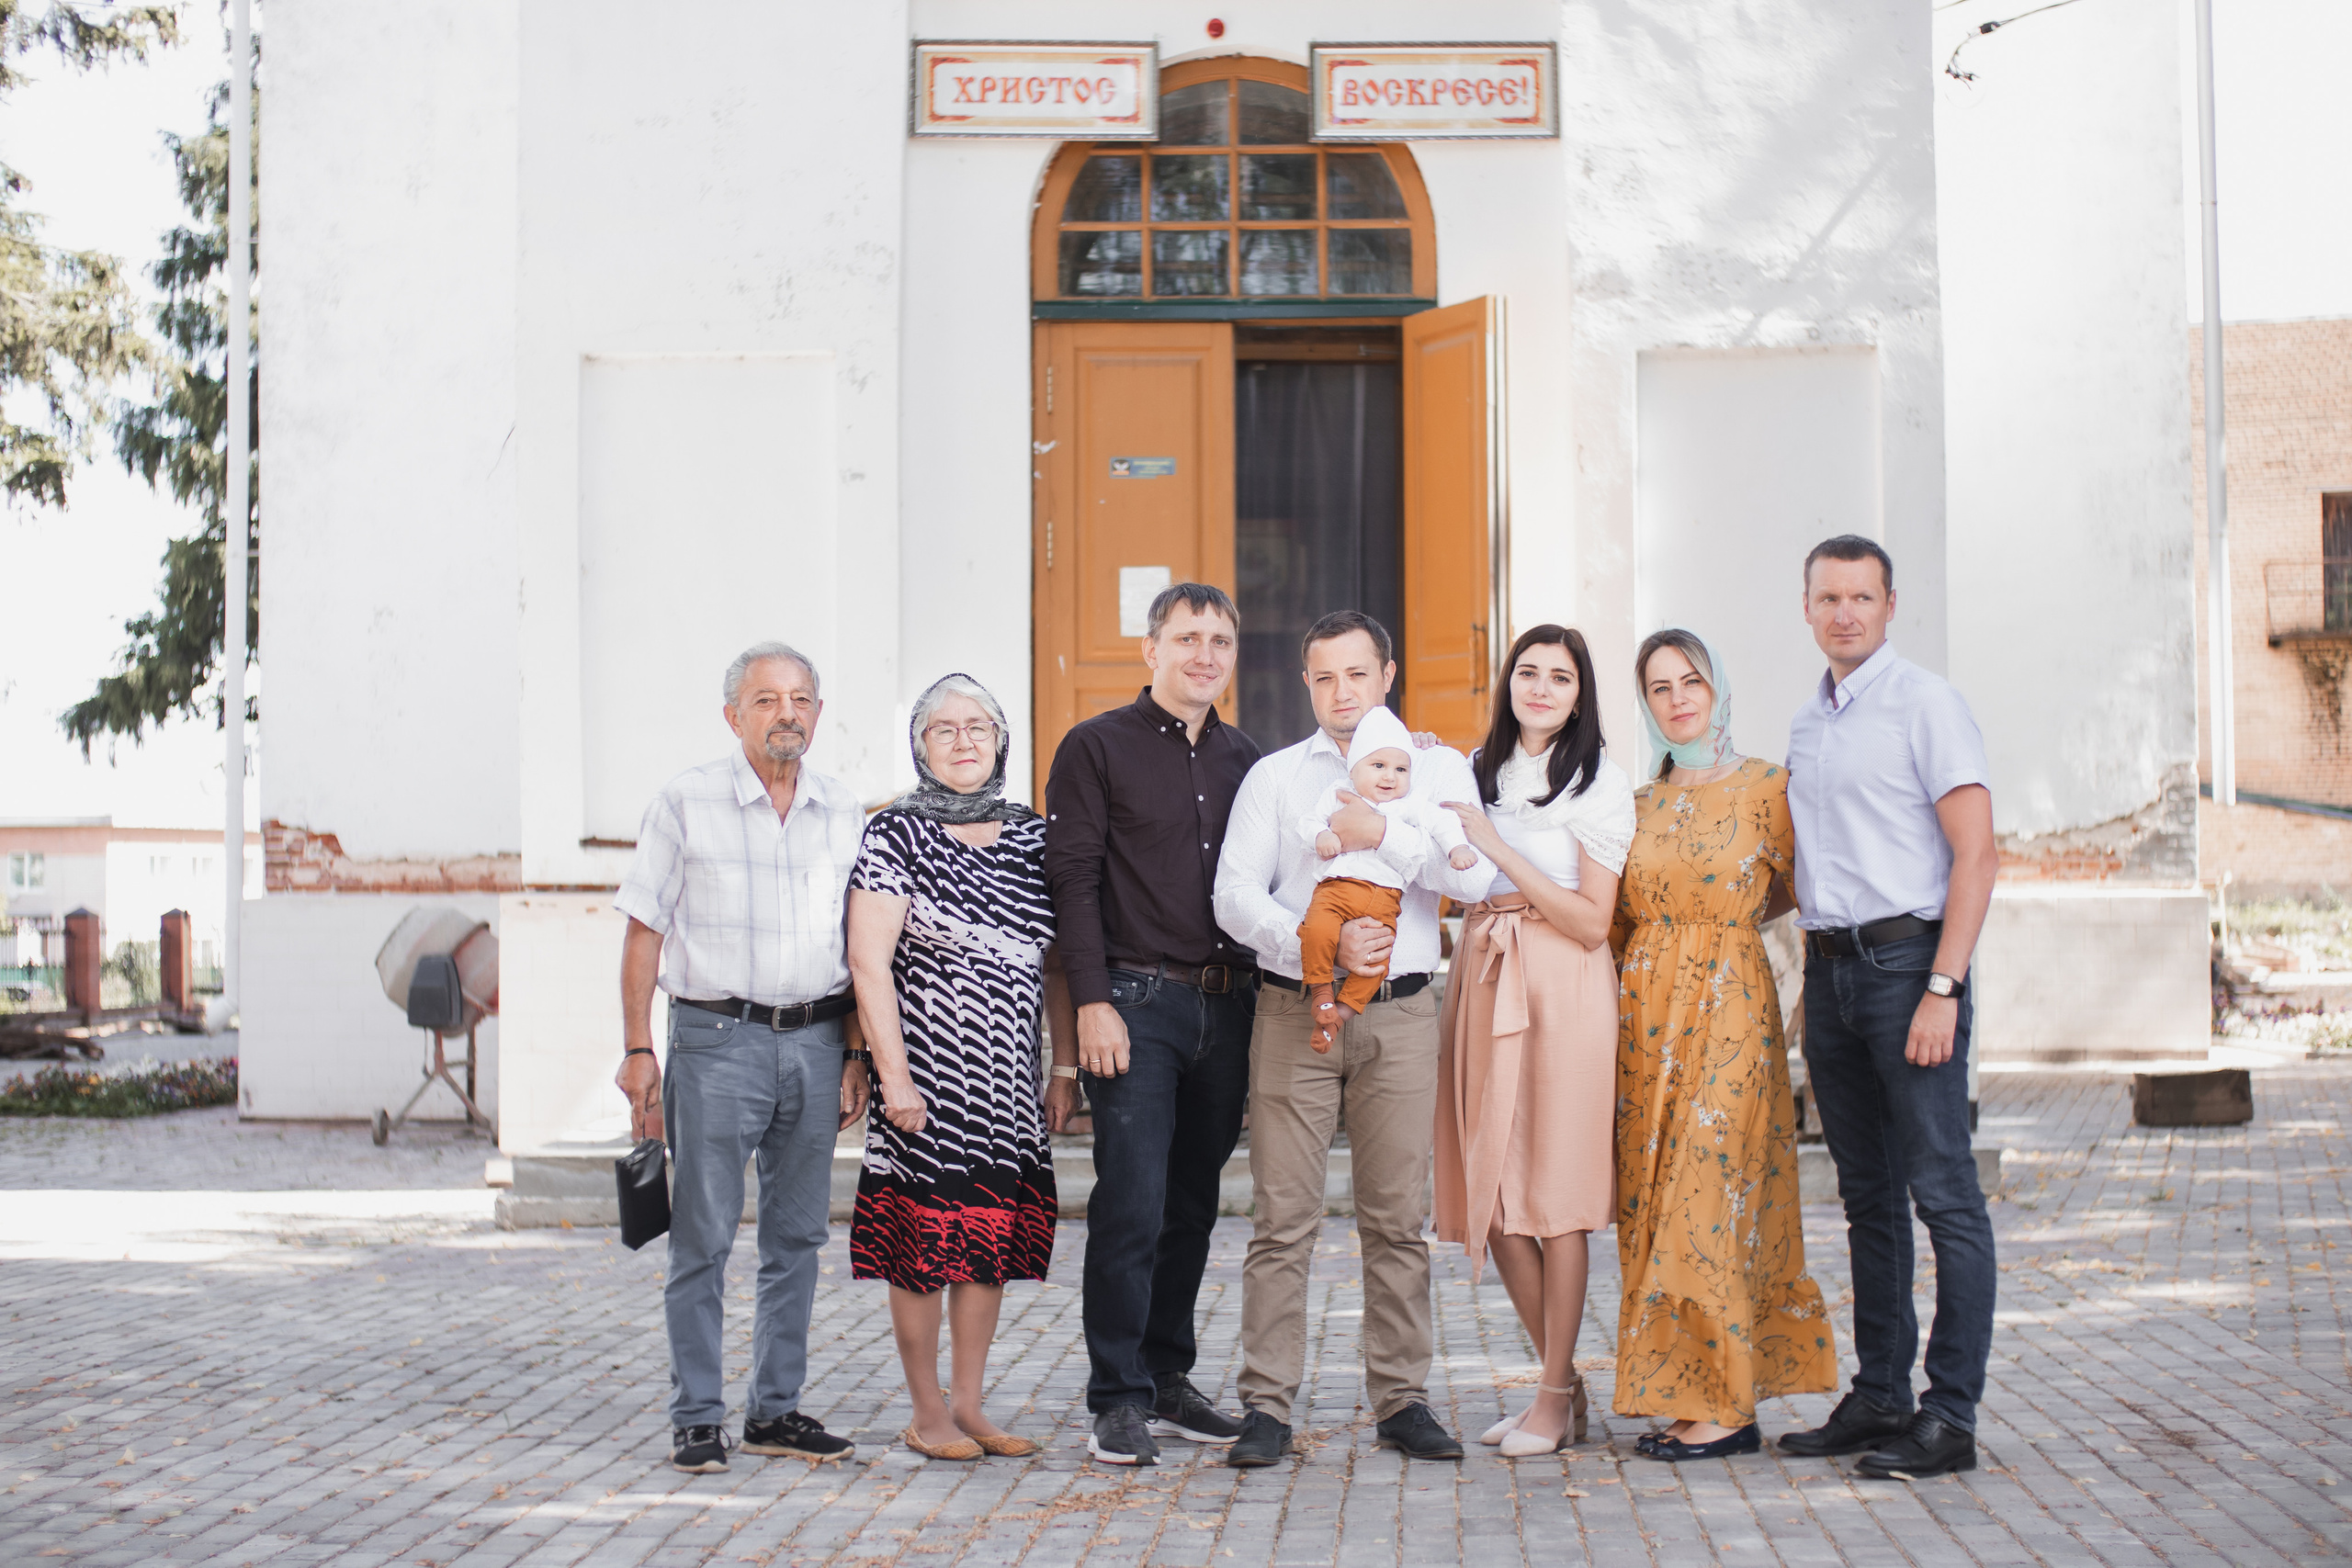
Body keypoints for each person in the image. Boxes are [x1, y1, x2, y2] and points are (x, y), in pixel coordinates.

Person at [1213, 610, 1493, 1467]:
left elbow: (1474, 877)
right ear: (1307, 682)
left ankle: (1402, 1399)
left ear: (1388, 674)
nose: (1343, 692)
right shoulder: (1275, 776)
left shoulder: (1437, 768)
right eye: (1326, 676)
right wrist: (1317, 944)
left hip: (1403, 1015)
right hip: (1294, 1008)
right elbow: (1233, 894)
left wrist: (1387, 834)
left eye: (1358, 674)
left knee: (1396, 1219)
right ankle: (1267, 1405)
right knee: (1282, 1218)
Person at [613, 642, 868, 1474]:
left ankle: (774, 1409)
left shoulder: (843, 810)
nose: (786, 713)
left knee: (797, 1238)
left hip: (819, 1041)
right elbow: (643, 933)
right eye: (766, 699)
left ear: (817, 714)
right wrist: (638, 1050)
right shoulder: (685, 802)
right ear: (733, 716)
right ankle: (696, 1416)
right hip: (716, 1042)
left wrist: (855, 1052)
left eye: (800, 699)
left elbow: (861, 946)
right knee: (703, 1235)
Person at [1777, 536, 1999, 1482]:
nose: (1845, 613)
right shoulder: (1808, 723)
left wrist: (1943, 986)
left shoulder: (1926, 704)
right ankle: (1880, 1395)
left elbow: (1977, 854)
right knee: (1866, 1194)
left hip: (1910, 968)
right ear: (1807, 608)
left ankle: (1949, 1415)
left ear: (1890, 605)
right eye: (1828, 597)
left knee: (1942, 1192)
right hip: (1831, 976)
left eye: (1861, 597)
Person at [1044, 582, 1261, 1467]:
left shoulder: (1249, 760)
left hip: (1229, 1003)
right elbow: (1072, 882)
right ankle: (1118, 1396)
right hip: (1135, 1000)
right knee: (1131, 1201)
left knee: (1192, 1204)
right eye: (1186, 638)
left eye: (1219, 641)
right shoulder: (1095, 747)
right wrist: (1092, 1000)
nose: (1204, 655)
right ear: (1151, 649)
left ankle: (1168, 1377)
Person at [1611, 628, 1837, 1463]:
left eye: (1692, 680)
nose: (1678, 698)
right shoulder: (1635, 802)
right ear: (1646, 703)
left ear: (1718, 688)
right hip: (1646, 1023)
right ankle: (1692, 1393)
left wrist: (1728, 922)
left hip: (1732, 1009)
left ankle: (1728, 1408)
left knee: (1706, 1193)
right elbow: (1614, 915)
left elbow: (1804, 888)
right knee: (1654, 1199)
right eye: (1660, 686)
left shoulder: (1768, 786)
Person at [845, 674, 1079, 1461]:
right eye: (943, 729)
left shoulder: (1033, 836)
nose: (964, 740)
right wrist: (893, 1078)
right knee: (922, 1247)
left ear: (1002, 739)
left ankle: (971, 1404)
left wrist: (1064, 1066)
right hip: (926, 1081)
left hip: (1007, 1083)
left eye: (979, 725)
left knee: (987, 1240)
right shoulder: (895, 833)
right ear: (921, 746)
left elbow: (1056, 963)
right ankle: (926, 1410)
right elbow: (868, 962)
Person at [1432, 625, 1634, 1460]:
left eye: (1560, 676)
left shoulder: (1598, 781)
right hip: (1484, 973)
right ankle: (1565, 1389)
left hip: (1563, 982)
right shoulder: (1477, 770)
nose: (1541, 687)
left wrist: (1496, 848)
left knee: (1556, 1196)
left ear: (1580, 696)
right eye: (1528, 672)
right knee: (1493, 1191)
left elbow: (1591, 921)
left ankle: (1552, 1395)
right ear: (1507, 682)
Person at [1295, 704, 1479, 1050]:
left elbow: (1442, 822)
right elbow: (1309, 822)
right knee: (1316, 930)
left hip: (1384, 899)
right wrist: (1322, 836)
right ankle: (1321, 993)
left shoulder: (1408, 804)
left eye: (1401, 769)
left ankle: (1340, 1015)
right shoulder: (1339, 794)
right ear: (1354, 769)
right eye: (1378, 766)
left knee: (1377, 961)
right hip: (1335, 890)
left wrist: (1456, 848)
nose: (1390, 777)